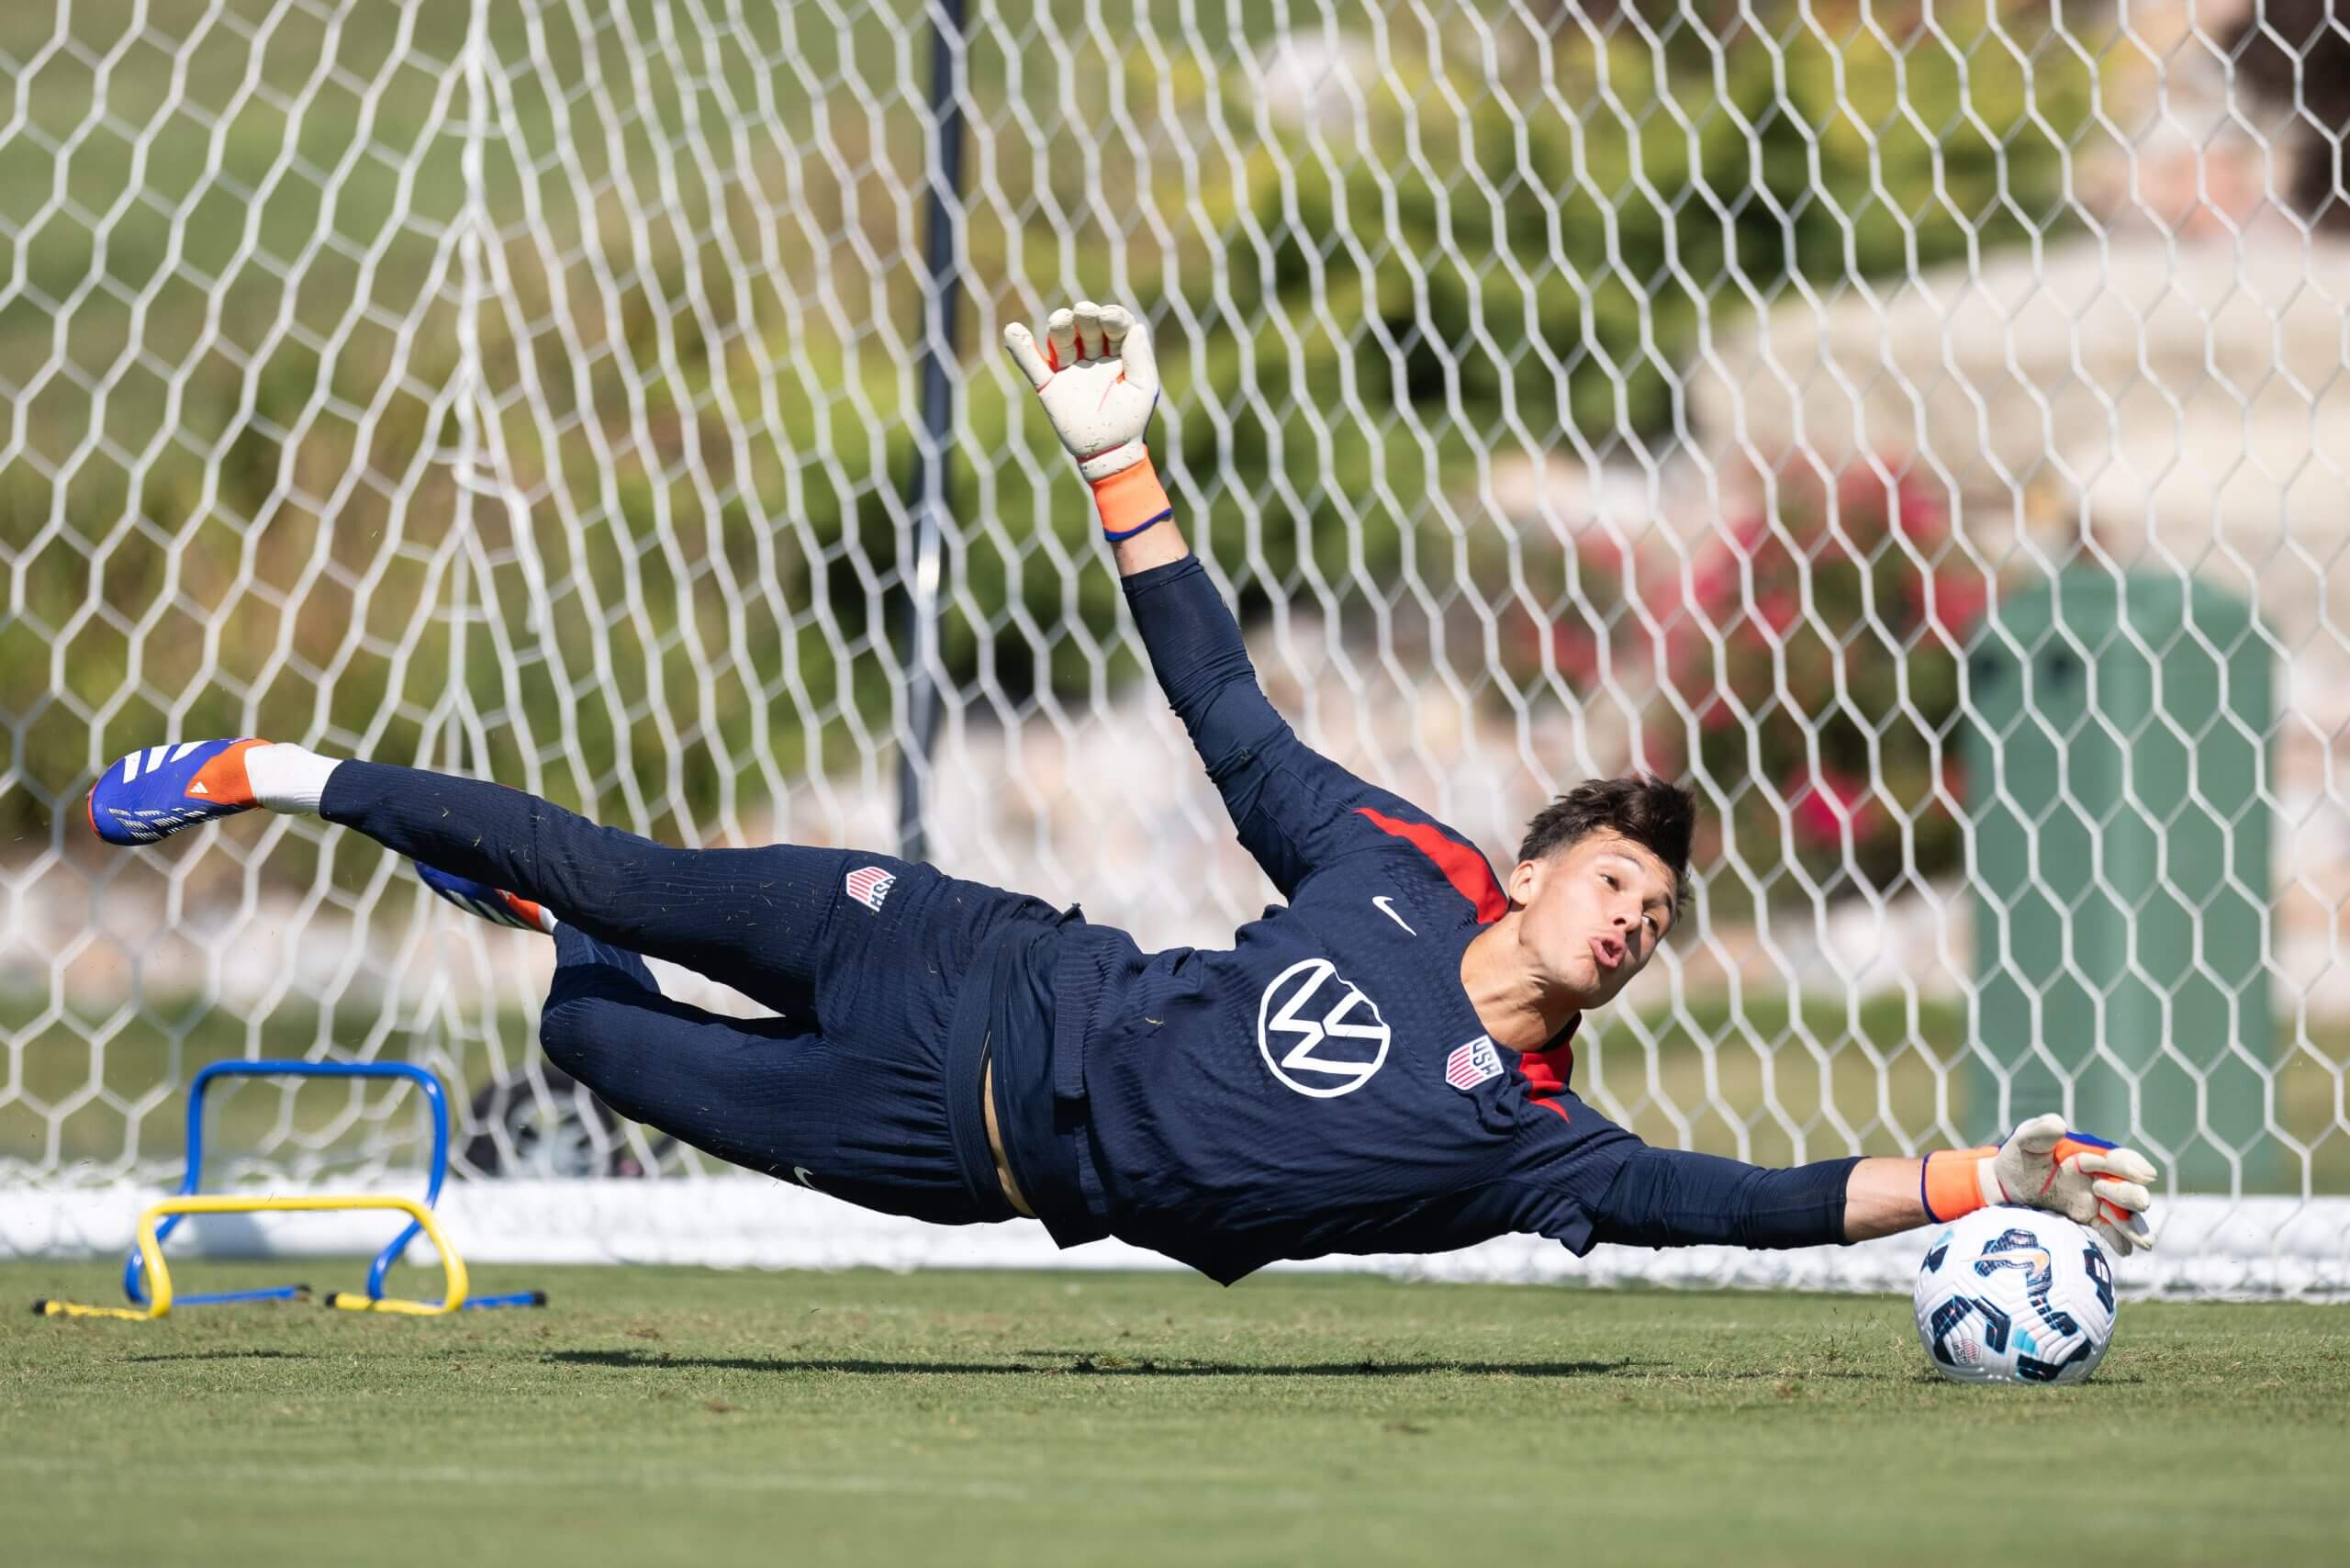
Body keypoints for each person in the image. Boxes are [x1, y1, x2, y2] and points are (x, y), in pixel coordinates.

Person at [84, 301, 2158, 1282]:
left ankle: (545, 935)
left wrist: (1986, 1175)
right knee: (628, 868)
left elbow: (1746, 1201)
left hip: (955, 1148)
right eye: (1614, 876)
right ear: (1533, 865)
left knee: (596, 1038)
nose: (1631, 918)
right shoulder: (1396, 862)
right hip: (968, 957)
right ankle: (274, 770)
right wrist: (1114, 457)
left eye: (1657, 917)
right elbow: (1228, 717)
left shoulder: (1533, 1141)